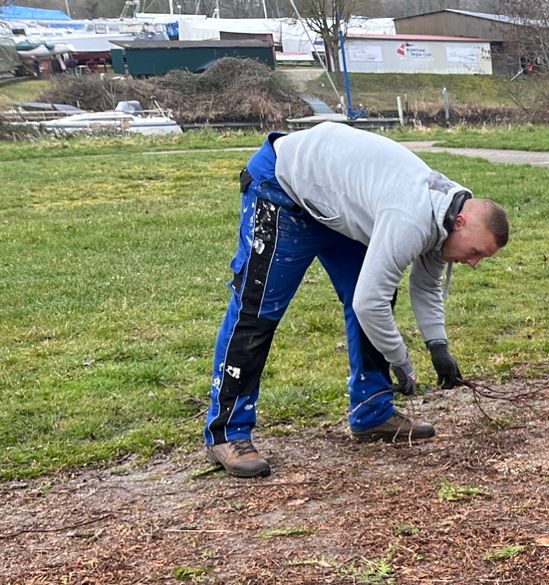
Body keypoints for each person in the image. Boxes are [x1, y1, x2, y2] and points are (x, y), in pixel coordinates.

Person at [204, 122, 510, 478]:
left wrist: (438, 347)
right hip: (284, 188)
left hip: (335, 204)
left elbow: (425, 287)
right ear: (461, 223)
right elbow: (370, 303)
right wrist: (402, 361)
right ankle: (227, 433)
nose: (473, 263)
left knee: (379, 292)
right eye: (476, 252)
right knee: (258, 310)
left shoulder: (445, 215)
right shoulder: (411, 218)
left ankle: (372, 412)